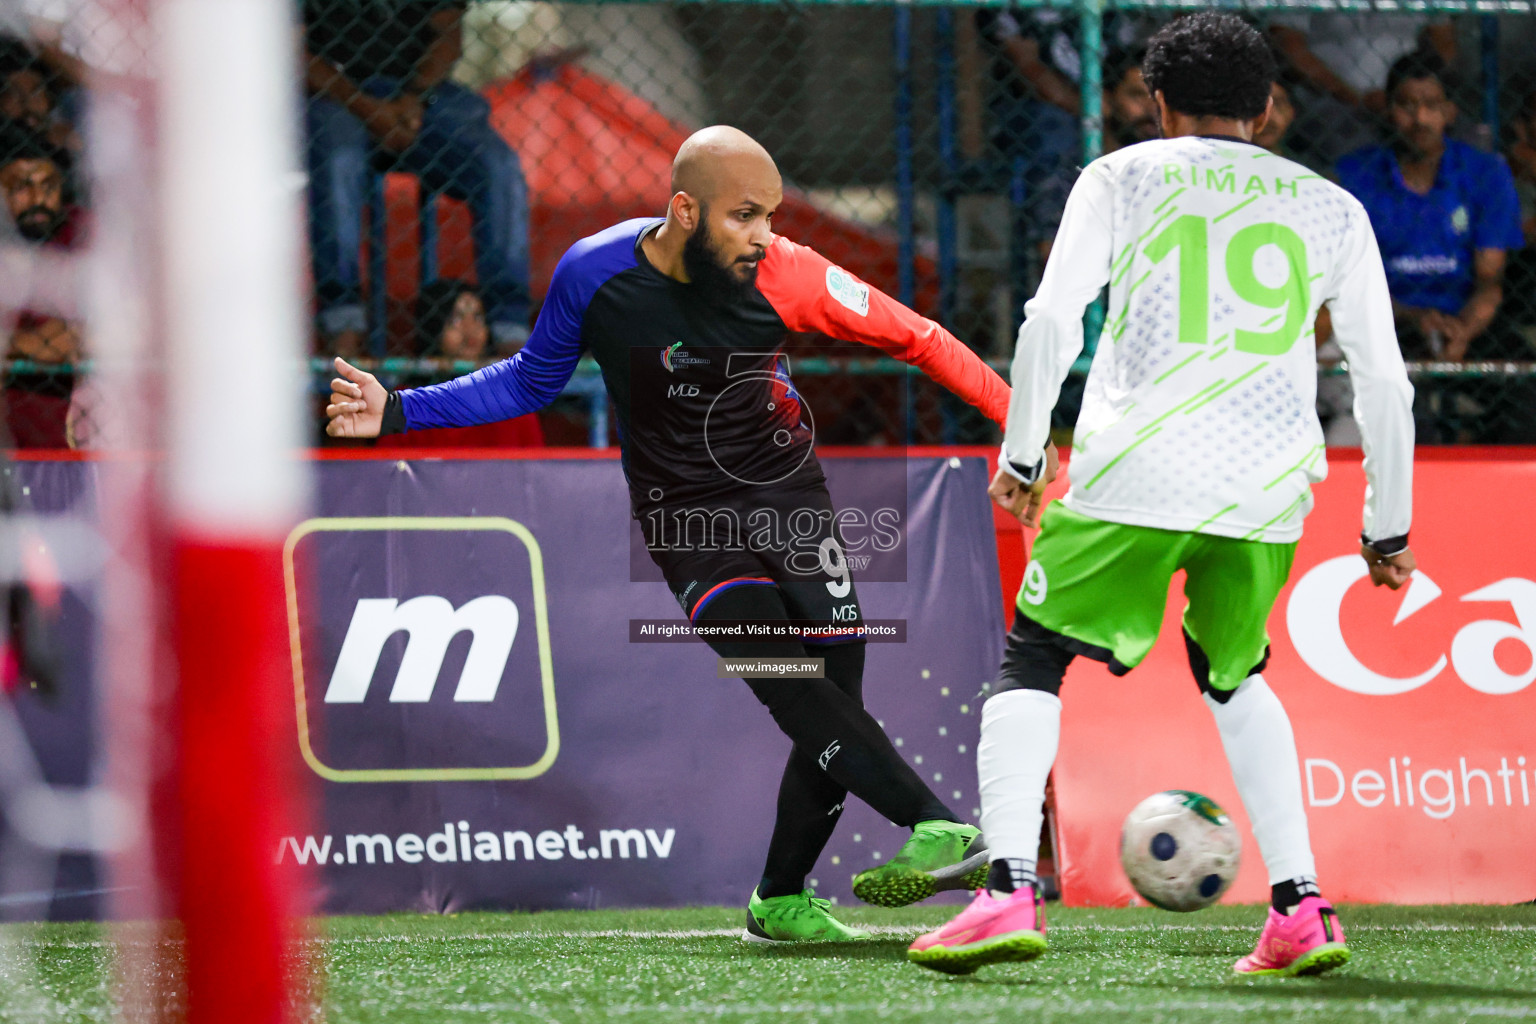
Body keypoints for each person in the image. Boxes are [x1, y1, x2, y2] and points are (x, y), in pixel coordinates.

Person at [325, 125, 1015, 942]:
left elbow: (921, 339)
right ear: (685, 210)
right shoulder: (595, 271)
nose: (765, 235)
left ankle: (779, 901)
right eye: (745, 217)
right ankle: (934, 822)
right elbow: (530, 380)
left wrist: (1023, 432)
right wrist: (402, 409)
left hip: (791, 501)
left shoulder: (790, 275)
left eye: (771, 216)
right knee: (788, 678)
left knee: (834, 698)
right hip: (685, 519)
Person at [907, 14, 1416, 977]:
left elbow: (1053, 316)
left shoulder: (1120, 176)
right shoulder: (1331, 206)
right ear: (1267, 110)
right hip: (1266, 488)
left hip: (1135, 469)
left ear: (1153, 103)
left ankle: (1009, 886)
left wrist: (1022, 455)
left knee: (1034, 658)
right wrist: (1387, 524)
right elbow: (1385, 383)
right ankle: (1302, 906)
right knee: (1237, 677)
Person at [302, 0, 531, 355]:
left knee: (498, 165)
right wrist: (366, 107)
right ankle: (343, 325)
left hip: (420, 93)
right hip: (334, 93)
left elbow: (448, 32)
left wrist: (413, 99)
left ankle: (508, 331)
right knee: (338, 157)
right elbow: (290, 49)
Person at [1338, 52, 1523, 442]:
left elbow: (1491, 279)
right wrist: (1413, 316)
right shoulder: (1354, 175)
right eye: (1407, 105)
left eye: (1432, 105)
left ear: (1450, 111)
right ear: (1389, 109)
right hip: (1386, 319)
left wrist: (1465, 330)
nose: (1420, 118)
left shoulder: (1486, 172)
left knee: (1523, 391)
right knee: (1399, 406)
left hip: (1468, 319)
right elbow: (1349, 284)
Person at [373, 279, 543, 449]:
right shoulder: (408, 402)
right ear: (434, 329)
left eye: (478, 318)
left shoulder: (514, 400)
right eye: (456, 319)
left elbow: (535, 468)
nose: (470, 329)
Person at [0, 127, 83, 448]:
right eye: (22, 187)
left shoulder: (76, 232)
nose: (39, 200)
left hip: (66, 444)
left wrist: (13, 344)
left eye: (49, 186)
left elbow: (105, 333)